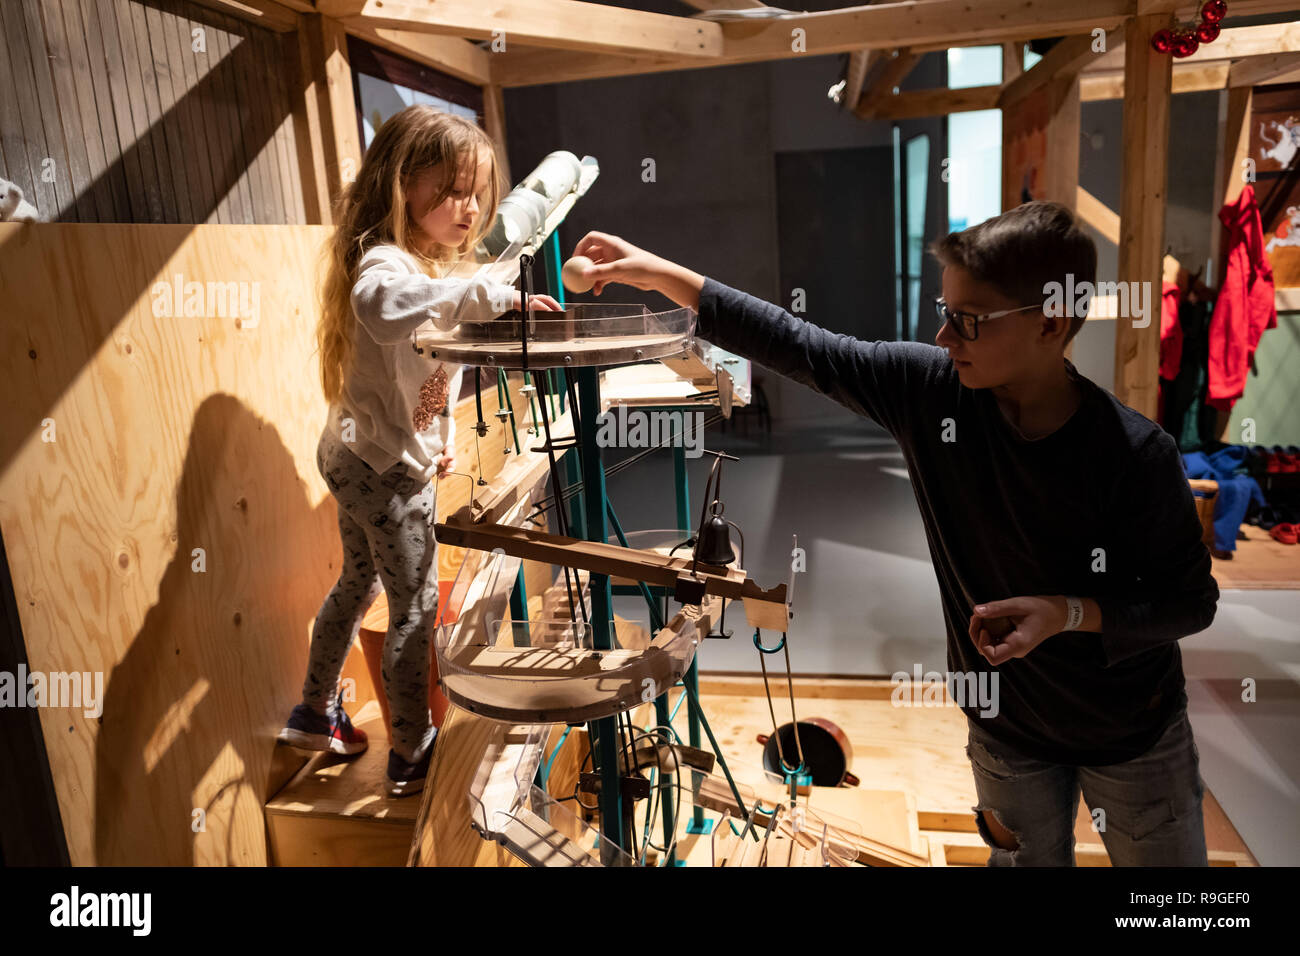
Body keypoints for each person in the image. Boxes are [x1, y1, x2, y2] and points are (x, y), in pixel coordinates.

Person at [571, 201, 1219, 864]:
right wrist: (657, 274)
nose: (943, 337)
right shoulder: (932, 391)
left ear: (1050, 323)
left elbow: (1190, 603)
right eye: (945, 312)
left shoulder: (1134, 454)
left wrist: (1068, 613)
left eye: (966, 320)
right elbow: (800, 346)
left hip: (1133, 733)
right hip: (1006, 727)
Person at [277, 105, 561, 796]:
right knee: (415, 607)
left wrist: (428, 442)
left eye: (477, 195)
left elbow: (419, 375)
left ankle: (314, 714)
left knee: (357, 583)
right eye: (453, 190)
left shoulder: (430, 266)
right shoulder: (386, 263)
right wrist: (492, 294)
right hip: (379, 469)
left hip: (361, 454)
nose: (469, 210)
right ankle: (411, 750)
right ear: (405, 183)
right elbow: (381, 305)